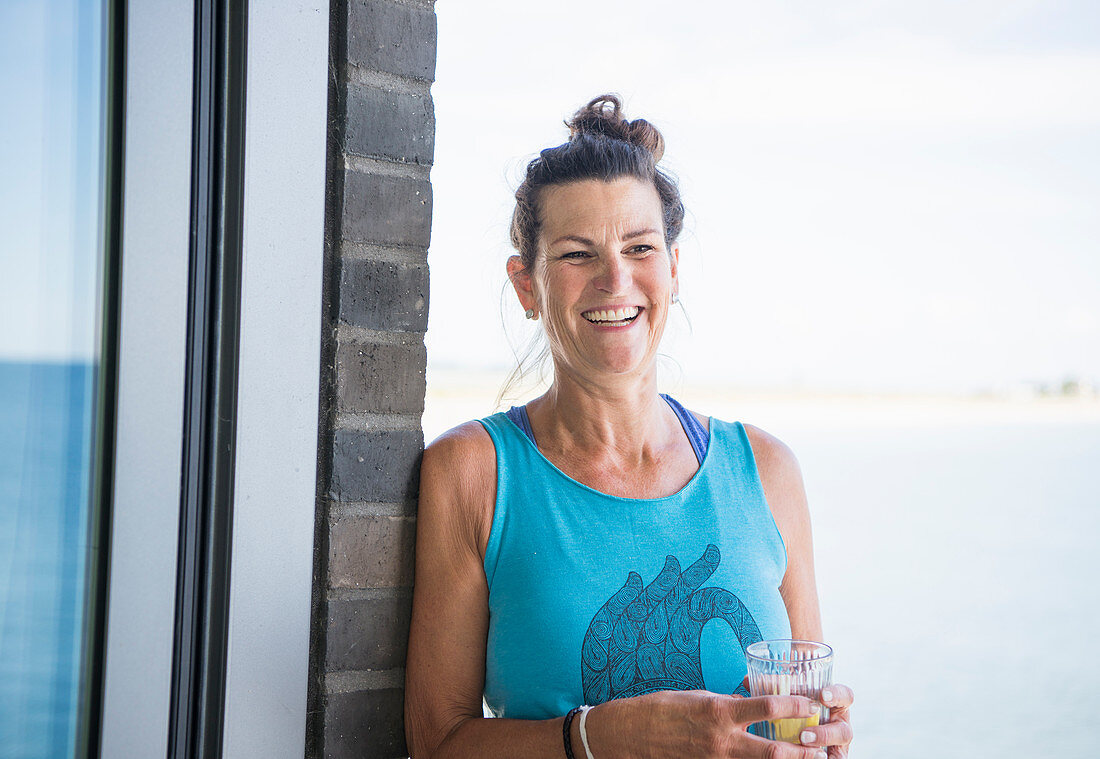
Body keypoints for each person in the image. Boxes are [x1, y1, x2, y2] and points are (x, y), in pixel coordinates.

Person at [405, 95, 855, 759]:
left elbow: (803, 720)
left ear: (673, 268)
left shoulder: (768, 470)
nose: (616, 279)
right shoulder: (475, 473)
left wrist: (822, 736)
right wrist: (599, 736)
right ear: (527, 285)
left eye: (640, 247)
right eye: (577, 254)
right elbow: (436, 744)